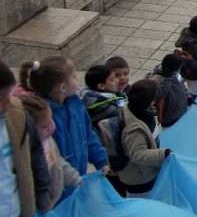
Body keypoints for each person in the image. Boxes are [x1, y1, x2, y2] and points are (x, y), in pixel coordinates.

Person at [20, 57, 109, 201]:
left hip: (76, 180)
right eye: (74, 76)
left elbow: (88, 134)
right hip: (56, 190)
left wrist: (100, 159)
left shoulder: (76, 105)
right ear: (62, 87)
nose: (77, 78)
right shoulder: (43, 118)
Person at [0, 60, 50, 217]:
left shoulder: (16, 113)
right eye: (0, 98)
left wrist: (43, 198)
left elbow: (35, 155)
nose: (7, 104)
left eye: (8, 95)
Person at [18, 94, 82, 209]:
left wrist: (74, 177)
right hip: (39, 209)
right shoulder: (25, 154)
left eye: (51, 120)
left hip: (53, 201)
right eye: (44, 126)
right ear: (28, 131)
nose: (52, 127)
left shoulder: (48, 141)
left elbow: (59, 162)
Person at [79, 64, 128, 196]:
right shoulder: (107, 108)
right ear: (101, 86)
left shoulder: (87, 98)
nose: (118, 80)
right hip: (113, 157)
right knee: (118, 189)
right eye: (113, 79)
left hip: (104, 156)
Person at [119, 80, 171, 198]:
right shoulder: (134, 128)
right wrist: (163, 154)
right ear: (148, 102)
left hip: (142, 173)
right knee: (145, 205)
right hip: (140, 179)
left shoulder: (135, 110)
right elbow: (137, 154)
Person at [148, 54, 188, 128]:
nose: (180, 70)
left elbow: (182, 86)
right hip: (169, 120)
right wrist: (158, 115)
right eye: (179, 68)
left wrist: (187, 97)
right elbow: (151, 101)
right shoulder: (156, 81)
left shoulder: (174, 75)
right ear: (175, 69)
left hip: (180, 114)